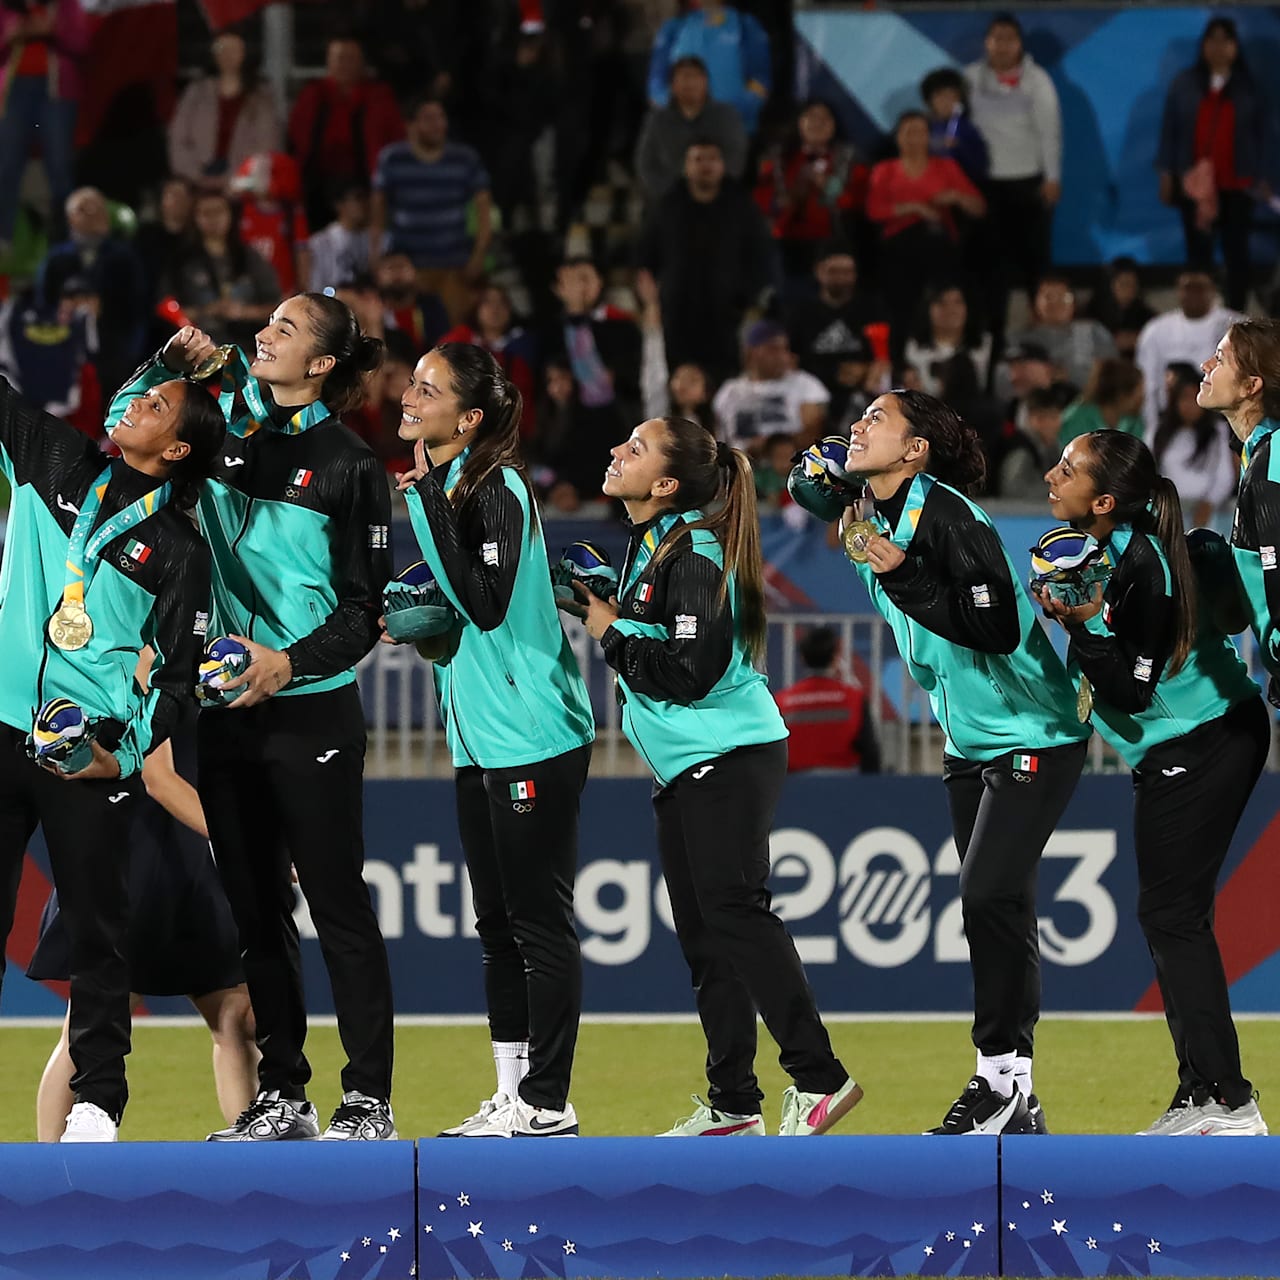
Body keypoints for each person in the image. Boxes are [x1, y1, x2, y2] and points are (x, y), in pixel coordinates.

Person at [114, 294, 396, 1143]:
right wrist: (167, 364)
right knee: (254, 911)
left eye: (286, 329)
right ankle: (283, 1095)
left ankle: (369, 1100)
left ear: (321, 366)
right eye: (266, 322)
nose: (263, 334)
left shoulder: (352, 465)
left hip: (311, 715)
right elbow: (126, 433)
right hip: (226, 714)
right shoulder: (220, 432)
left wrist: (286, 663)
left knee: (339, 908)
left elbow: (364, 611)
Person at [791, 390, 1089, 1133]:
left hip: (1034, 731)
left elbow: (991, 628)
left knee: (988, 895)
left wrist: (900, 571)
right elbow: (849, 519)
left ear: (916, 450)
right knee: (999, 908)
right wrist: (842, 507)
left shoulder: (951, 518)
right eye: (859, 416)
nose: (858, 425)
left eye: (877, 420)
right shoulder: (872, 520)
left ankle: (999, 1079)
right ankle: (1013, 1090)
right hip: (969, 742)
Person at [573, 414, 863, 1137]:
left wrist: (609, 632)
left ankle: (821, 1079)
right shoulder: (653, 545)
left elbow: (691, 672)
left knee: (734, 912)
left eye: (633, 447)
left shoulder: (692, 553)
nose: (615, 448)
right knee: (707, 937)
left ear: (666, 485)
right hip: (690, 761)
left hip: (726, 755)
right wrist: (608, 609)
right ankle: (734, 1102)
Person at [0, 358, 223, 1142]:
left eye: (157, 404)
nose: (135, 403)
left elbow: (177, 687)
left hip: (83, 746)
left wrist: (118, 758)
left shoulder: (178, 551)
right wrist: (160, 364)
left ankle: (98, 1102)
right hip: (1, 723)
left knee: (100, 928)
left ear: (176, 452)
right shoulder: (55, 461)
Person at [1038, 430, 1268, 1136]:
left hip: (1198, 744)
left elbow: (1133, 690)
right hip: (1198, 740)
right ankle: (1202, 1095)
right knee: (1170, 917)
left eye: (1068, 469)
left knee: (1173, 918)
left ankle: (1227, 1100)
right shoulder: (1123, 550)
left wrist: (1080, 628)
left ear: (1104, 500)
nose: (1052, 473)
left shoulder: (1143, 563)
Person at [391, 342, 595, 1137]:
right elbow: (463, 621)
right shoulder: (440, 488)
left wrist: (431, 506)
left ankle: (548, 1100)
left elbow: (484, 602)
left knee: (539, 925)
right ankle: (512, 1093)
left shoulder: (496, 486)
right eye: (412, 381)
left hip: (533, 733)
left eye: (428, 387)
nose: (409, 395)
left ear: (468, 417)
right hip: (480, 735)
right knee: (496, 925)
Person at [29, 680, 258, 1141]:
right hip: (138, 847)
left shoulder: (191, 646)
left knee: (234, 1011)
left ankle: (258, 1160)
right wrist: (244, 845)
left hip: (181, 852)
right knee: (92, 1025)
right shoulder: (146, 657)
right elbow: (160, 780)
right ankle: (54, 1180)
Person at [637, 140, 776, 386]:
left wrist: (751, 299)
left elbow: (760, 256)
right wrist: (651, 304)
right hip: (676, 314)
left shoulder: (741, 206)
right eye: (698, 159)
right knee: (677, 384)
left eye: (712, 159)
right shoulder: (666, 207)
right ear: (686, 166)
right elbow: (645, 262)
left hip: (727, 314)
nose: (705, 166)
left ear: (723, 165)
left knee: (725, 383)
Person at [965, 13, 1062, 342]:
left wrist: (1052, 177)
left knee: (1036, 265)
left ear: (1020, 44)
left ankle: (1046, 339)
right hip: (985, 187)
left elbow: (1051, 132)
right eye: (996, 38)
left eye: (1009, 38)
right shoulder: (969, 80)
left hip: (1029, 184)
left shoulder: (1038, 81)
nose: (1003, 45)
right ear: (986, 43)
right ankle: (990, 338)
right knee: (990, 269)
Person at [1157, 17, 1264, 313]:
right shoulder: (1185, 84)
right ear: (1203, 46)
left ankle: (1238, 319)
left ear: (1235, 47)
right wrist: (1167, 175)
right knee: (1198, 256)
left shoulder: (1247, 87)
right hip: (1195, 185)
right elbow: (1170, 130)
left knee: (1236, 255)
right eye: (1212, 40)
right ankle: (1198, 315)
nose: (1218, 47)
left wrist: (1262, 176)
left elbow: (1261, 135)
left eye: (1225, 40)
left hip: (1237, 185)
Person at [1198, 318, 1280, 682]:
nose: (1206, 366)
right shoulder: (1259, 452)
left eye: (1220, 358)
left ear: (1251, 385)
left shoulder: (1272, 458)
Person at [865, 112, 985, 356]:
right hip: (898, 250)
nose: (914, 138)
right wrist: (915, 207)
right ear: (897, 137)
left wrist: (957, 197)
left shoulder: (946, 167)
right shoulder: (885, 170)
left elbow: (979, 208)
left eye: (920, 131)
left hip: (938, 248)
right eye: (907, 131)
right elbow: (874, 210)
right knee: (898, 306)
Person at [370, 97, 493, 326]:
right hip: (409, 270)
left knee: (457, 339)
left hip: (454, 267)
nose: (437, 124)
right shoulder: (392, 159)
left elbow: (484, 212)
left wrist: (478, 257)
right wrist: (376, 258)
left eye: (440, 117)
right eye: (428, 118)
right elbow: (378, 215)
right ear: (411, 124)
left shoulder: (465, 159)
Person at [287, 35, 404, 229]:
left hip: (365, 183)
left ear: (361, 62)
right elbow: (294, 140)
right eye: (337, 58)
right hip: (318, 184)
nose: (343, 64)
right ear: (328, 62)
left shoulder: (379, 98)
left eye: (350, 58)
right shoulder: (312, 94)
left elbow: (396, 143)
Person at [0, 0, 88, 252]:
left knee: (60, 167)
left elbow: (82, 44)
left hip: (55, 95)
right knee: (6, 166)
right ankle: (3, 238)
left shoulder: (66, 5)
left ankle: (66, 239)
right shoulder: (5, 6)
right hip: (14, 94)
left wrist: (53, 30)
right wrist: (11, 35)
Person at [753, 100, 869, 288]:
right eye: (811, 117)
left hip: (834, 240)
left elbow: (856, 200)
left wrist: (826, 184)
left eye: (824, 118)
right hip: (786, 240)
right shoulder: (777, 158)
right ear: (799, 123)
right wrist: (783, 201)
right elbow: (762, 197)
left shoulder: (849, 158)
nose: (818, 123)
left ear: (834, 126)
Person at [167, 27, 282, 193]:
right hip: (194, 182)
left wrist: (234, 178)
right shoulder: (196, 92)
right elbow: (178, 139)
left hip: (243, 183)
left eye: (234, 50)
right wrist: (197, 174)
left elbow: (266, 145)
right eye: (222, 49)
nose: (227, 55)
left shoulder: (261, 96)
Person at [785, 242, 888, 426]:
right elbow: (791, 360)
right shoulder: (801, 312)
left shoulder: (871, 309)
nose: (841, 278)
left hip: (862, 391)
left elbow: (884, 357)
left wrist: (865, 370)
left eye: (847, 271)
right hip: (814, 395)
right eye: (834, 271)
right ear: (819, 271)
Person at [164, 191, 279, 350]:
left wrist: (242, 312)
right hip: (198, 348)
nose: (213, 219)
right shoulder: (180, 261)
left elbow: (276, 306)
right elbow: (167, 309)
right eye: (206, 213)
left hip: (248, 347)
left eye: (219, 211)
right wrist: (207, 311)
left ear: (230, 215)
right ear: (194, 217)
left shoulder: (249, 257)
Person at [1135, 267, 1241, 433]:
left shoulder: (1235, 326)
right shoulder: (1156, 330)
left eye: (1199, 288)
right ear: (1178, 291)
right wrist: (1152, 427)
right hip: (1170, 422)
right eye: (1187, 288)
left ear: (1213, 290)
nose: (1192, 294)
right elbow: (1149, 383)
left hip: (1223, 420)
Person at [646, 0, 771, 135]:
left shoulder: (745, 26)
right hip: (681, 133)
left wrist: (729, 115)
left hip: (734, 131)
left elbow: (760, 81)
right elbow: (656, 85)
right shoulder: (673, 28)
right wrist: (684, 114)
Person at [636, 56, 747, 203]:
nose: (689, 82)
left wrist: (709, 189)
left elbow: (735, 158)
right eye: (683, 77)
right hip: (668, 200)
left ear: (706, 82)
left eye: (695, 76)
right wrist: (673, 193)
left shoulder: (726, 116)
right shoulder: (657, 120)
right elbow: (646, 163)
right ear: (672, 85)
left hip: (717, 199)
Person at [774, 626, 880, 772]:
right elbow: (870, 752)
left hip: (794, 786)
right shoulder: (854, 698)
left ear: (803, 658)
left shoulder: (782, 701)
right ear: (835, 657)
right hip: (845, 785)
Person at [712, 320, 828, 452]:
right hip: (742, 466)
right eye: (773, 349)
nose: (782, 356)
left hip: (792, 464)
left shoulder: (805, 385)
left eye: (785, 349)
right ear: (751, 353)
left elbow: (812, 438)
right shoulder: (729, 392)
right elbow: (719, 441)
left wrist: (771, 446)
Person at [1151, 362, 1238, 529]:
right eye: (1184, 398)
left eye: (1194, 398)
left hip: (1209, 508)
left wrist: (1209, 502)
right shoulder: (1159, 431)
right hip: (1169, 508)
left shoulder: (1217, 432)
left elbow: (1224, 475)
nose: (1190, 406)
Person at [1015, 274, 1116, 393]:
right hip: (1038, 404)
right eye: (1048, 297)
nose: (1056, 303)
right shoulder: (1018, 339)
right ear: (1036, 302)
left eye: (1064, 297)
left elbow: (1114, 376)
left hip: (1088, 403)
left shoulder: (1093, 331)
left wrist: (1069, 375)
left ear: (1074, 302)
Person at [903, 283, 993, 400]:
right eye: (941, 302)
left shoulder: (986, 344)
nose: (950, 309)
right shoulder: (913, 348)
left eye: (957, 302)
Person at [920, 67, 988, 187]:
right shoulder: (920, 127)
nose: (946, 102)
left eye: (951, 96)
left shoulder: (969, 129)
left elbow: (979, 169)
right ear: (929, 100)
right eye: (939, 96)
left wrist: (960, 148)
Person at [1082, 256, 1155, 362]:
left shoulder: (1146, 315)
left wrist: (1139, 339)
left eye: (1133, 284)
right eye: (1123, 284)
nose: (1129, 289)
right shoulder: (1090, 313)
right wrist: (1111, 342)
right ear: (1109, 285)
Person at [1058, 358, 1144, 447]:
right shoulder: (1075, 420)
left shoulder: (1134, 422)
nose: (1142, 398)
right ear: (1121, 395)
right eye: (1138, 393)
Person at [303, 183, 371, 293]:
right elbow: (315, 287)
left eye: (366, 198)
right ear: (339, 205)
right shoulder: (320, 242)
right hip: (333, 303)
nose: (364, 204)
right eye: (358, 198)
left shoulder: (375, 239)